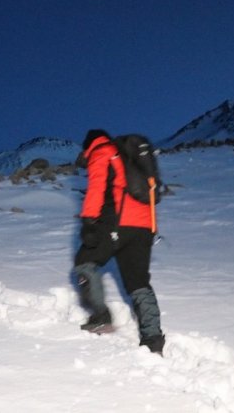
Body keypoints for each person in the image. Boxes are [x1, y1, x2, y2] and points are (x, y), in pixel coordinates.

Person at [73, 129, 165, 355]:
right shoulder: (126, 156)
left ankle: (100, 317)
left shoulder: (102, 152)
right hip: (144, 227)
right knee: (138, 282)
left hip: (116, 222)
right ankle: (153, 339)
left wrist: (88, 223)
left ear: (89, 145)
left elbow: (96, 188)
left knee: (85, 262)